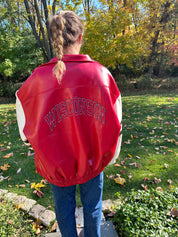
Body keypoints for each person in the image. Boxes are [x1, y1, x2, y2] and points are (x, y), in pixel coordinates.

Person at [16, 10, 122, 237]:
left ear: (53, 40)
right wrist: (111, 155)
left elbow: (24, 127)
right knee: (93, 206)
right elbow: (117, 121)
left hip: (57, 163)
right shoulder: (102, 75)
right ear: (80, 37)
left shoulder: (37, 79)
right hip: (93, 160)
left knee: (64, 209)